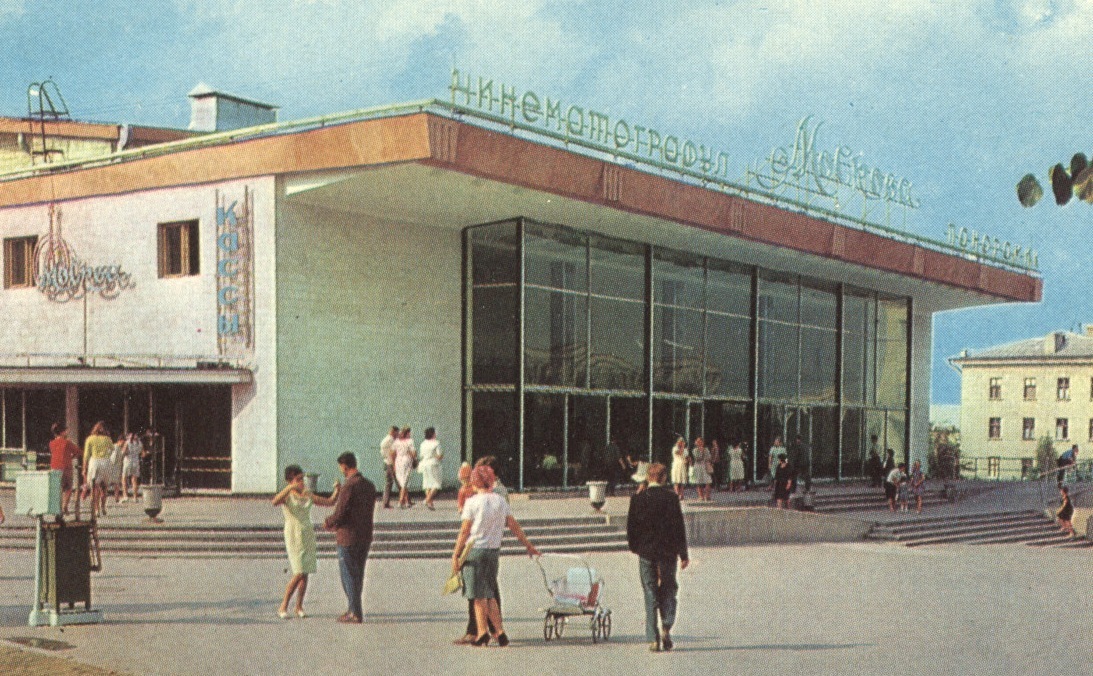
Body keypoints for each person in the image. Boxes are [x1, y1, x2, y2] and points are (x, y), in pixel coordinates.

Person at [451, 465, 539, 647]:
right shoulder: (500, 501)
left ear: (474, 482)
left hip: (475, 551)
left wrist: (456, 554)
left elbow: (465, 531)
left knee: (478, 596)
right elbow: (514, 526)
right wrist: (528, 546)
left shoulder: (472, 503)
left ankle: (482, 632)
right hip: (493, 552)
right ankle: (499, 631)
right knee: (490, 593)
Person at [626, 462, 689, 652]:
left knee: (649, 591)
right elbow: (678, 527)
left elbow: (631, 527)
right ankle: (667, 626)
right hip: (668, 552)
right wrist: (683, 554)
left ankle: (653, 638)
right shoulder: (671, 498)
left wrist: (636, 547)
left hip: (646, 552)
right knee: (669, 588)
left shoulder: (638, 499)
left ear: (648, 477)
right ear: (663, 478)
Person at [272, 464, 339, 619]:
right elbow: (275, 502)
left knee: (305, 572)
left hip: (307, 533)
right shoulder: (287, 495)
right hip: (293, 533)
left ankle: (299, 606)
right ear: (290, 481)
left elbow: (329, 502)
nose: (301, 482)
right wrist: (290, 488)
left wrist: (337, 490)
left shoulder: (307, 494)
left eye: (302, 478)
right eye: (298, 479)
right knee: (299, 571)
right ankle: (283, 606)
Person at [323, 452, 376, 623]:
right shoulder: (369, 485)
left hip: (348, 537)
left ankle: (354, 612)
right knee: (358, 575)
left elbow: (340, 512)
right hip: (365, 535)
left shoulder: (348, 486)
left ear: (344, 466)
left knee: (348, 575)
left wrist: (329, 522)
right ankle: (354, 609)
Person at [82, 422, 114, 518]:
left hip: (95, 462)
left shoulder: (90, 439)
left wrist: (84, 468)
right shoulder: (108, 439)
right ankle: (103, 506)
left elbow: (86, 455)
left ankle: (96, 510)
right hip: (106, 462)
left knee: (95, 488)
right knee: (104, 487)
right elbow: (112, 450)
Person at [49, 422, 80, 515]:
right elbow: (78, 452)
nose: (67, 432)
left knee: (58, 489)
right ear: (62, 432)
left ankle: (57, 509)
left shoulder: (51, 443)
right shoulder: (67, 442)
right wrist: (71, 457)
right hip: (66, 467)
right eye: (66, 431)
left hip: (54, 468)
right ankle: (64, 505)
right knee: (68, 488)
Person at [417, 427, 443, 510]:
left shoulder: (423, 444)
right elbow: (439, 455)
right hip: (433, 464)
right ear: (433, 434)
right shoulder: (436, 443)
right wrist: (438, 456)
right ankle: (427, 500)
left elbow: (421, 455)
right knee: (436, 484)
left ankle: (430, 503)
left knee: (427, 484)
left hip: (424, 464)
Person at [393, 426, 417, 509]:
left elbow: (392, 453)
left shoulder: (396, 441)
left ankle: (407, 501)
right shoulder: (410, 441)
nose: (410, 434)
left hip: (398, 461)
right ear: (407, 433)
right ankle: (400, 501)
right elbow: (413, 453)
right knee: (405, 482)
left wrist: (394, 464)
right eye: (409, 433)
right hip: (406, 461)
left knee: (402, 481)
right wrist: (415, 460)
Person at [121, 432, 145, 503]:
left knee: (124, 478)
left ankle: (125, 496)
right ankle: (135, 497)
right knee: (134, 480)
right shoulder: (139, 443)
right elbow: (143, 454)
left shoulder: (127, 442)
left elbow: (123, 452)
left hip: (127, 461)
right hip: (136, 462)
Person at [688, 438, 712, 502]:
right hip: (703, 466)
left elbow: (697, 458)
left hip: (699, 466)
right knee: (705, 482)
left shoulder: (695, 450)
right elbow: (709, 458)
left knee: (701, 482)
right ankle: (706, 496)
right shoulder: (705, 450)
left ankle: (703, 496)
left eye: (699, 442)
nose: (698, 443)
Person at [380, 426, 398, 509]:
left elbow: (383, 453)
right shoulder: (391, 440)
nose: (397, 434)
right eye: (397, 432)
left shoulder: (385, 439)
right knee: (399, 482)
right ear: (393, 431)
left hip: (386, 462)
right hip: (391, 463)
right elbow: (393, 453)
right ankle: (405, 500)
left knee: (389, 482)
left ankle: (385, 502)